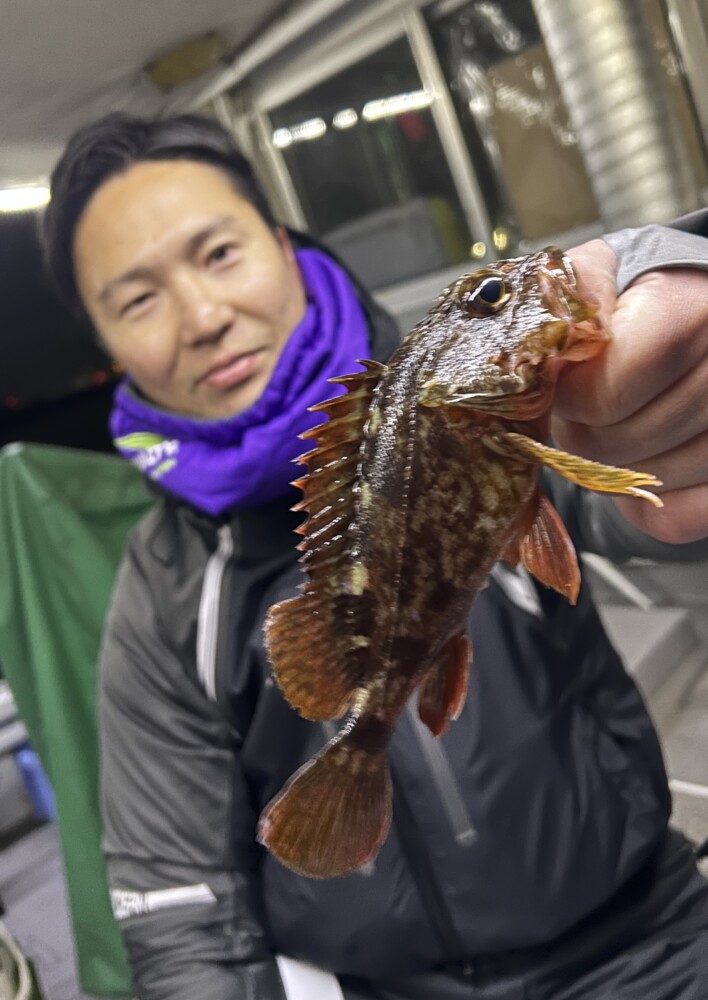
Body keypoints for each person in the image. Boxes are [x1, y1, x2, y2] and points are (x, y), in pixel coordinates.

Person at [42, 112, 708, 1000]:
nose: (202, 317)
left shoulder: (503, 414)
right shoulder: (160, 598)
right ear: (105, 344)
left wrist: (676, 301)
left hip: (653, 942)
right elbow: (176, 906)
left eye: (218, 253)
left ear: (281, 246)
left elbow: (654, 505)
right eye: (136, 298)